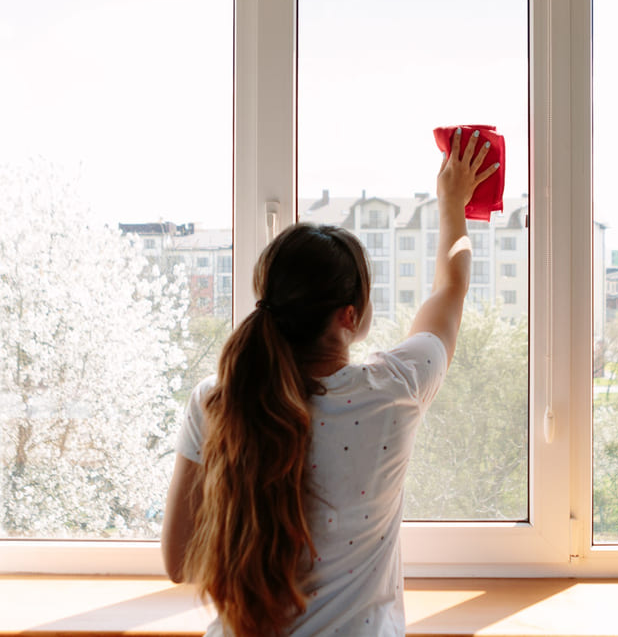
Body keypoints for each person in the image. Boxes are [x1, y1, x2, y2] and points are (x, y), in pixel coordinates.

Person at [161, 128, 500, 636]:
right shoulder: (395, 389)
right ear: (349, 315)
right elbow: (449, 289)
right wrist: (453, 201)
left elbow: (180, 561)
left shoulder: (218, 400)